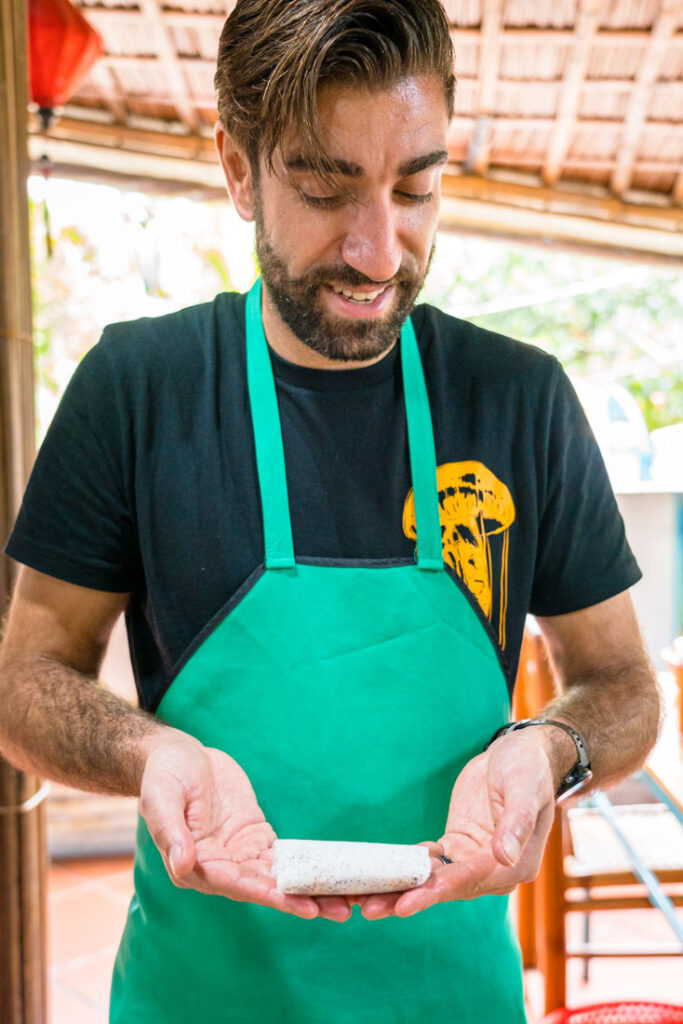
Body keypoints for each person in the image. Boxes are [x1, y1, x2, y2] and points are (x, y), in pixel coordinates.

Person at [0, 1, 660, 1021]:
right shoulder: (138, 388)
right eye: (323, 189)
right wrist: (152, 753)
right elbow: (25, 681)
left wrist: (548, 749)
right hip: (199, 998)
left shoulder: (517, 397)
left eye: (417, 188)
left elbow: (621, 681)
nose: (377, 250)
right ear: (235, 167)